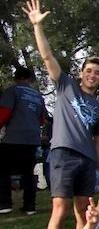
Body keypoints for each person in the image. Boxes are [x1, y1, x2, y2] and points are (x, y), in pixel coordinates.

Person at [25, 0, 99, 229]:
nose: (92, 75)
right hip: (63, 155)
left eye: (97, 73)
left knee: (83, 212)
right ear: (82, 73)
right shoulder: (66, 86)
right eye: (89, 70)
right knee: (60, 209)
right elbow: (47, 56)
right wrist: (38, 27)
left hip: (87, 161)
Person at [0, 66, 44, 215]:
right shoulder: (38, 96)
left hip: (13, 138)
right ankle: (30, 207)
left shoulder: (12, 91)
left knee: (3, 170)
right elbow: (41, 120)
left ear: (16, 78)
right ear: (30, 79)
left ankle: (5, 204)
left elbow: (4, 113)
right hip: (32, 140)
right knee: (28, 173)